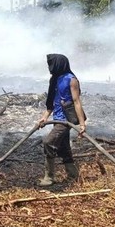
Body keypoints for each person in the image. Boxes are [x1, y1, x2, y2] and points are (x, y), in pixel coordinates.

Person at [37, 53, 87, 186]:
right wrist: (44, 117)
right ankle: (74, 175)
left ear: (59, 64)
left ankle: (49, 177)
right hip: (57, 118)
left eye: (51, 64)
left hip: (66, 120)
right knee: (64, 147)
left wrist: (82, 124)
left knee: (49, 142)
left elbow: (76, 102)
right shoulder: (54, 79)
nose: (50, 67)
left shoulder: (71, 80)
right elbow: (51, 102)